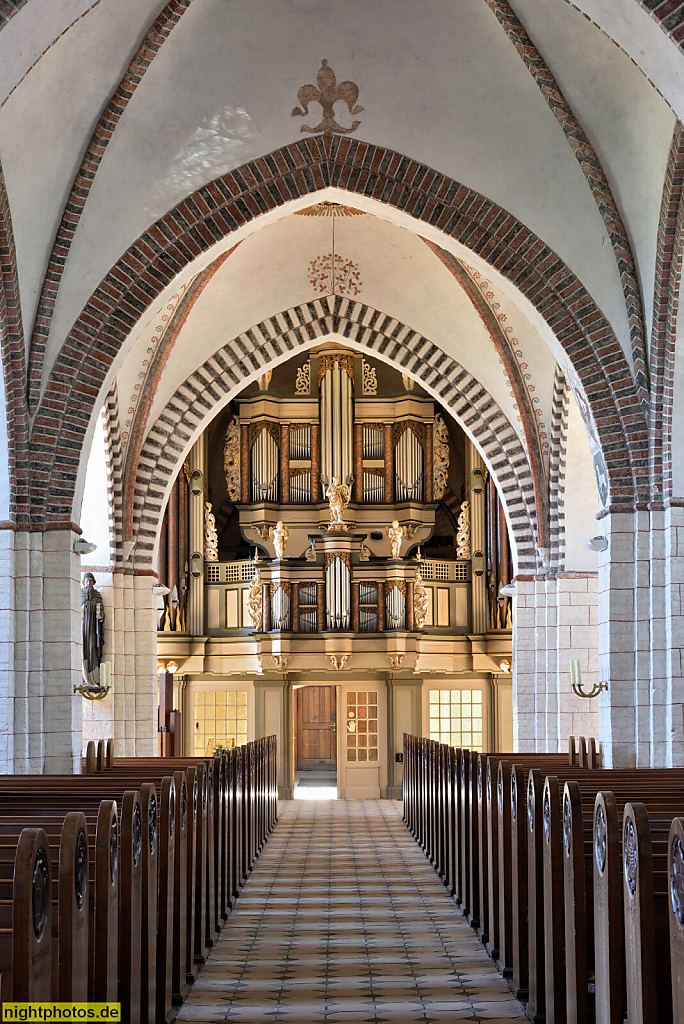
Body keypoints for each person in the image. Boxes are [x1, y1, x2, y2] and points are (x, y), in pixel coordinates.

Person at [81, 572, 105, 687]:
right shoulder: (79, 595)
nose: (88, 583)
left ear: (93, 582)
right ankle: (83, 676)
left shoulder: (97, 595)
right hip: (82, 628)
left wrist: (100, 617)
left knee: (92, 649)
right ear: (83, 582)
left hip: (93, 629)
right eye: (86, 581)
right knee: (82, 650)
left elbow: (101, 613)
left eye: (90, 580)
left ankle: (93, 677)